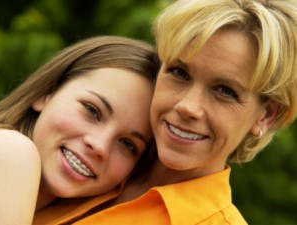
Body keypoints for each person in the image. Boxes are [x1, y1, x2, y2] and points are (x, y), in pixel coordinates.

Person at [30, 0, 296, 224]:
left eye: (225, 91)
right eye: (179, 72)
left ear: (266, 115)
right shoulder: (92, 162)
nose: (187, 107)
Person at [0, 35, 159, 225]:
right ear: (47, 92)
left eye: (128, 144)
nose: (100, 146)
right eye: (92, 110)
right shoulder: (11, 149)